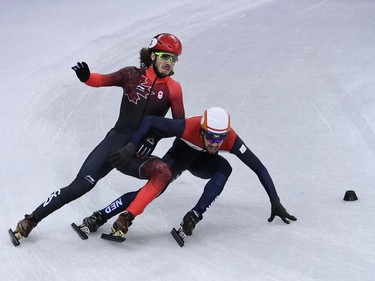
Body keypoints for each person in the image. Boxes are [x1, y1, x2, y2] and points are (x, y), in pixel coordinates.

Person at [12, 33, 185, 242]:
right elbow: (101, 80)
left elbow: (177, 125)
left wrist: (152, 139)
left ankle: (123, 219)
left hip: (136, 153)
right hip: (114, 144)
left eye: (174, 58)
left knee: (163, 173)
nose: (169, 62)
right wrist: (86, 77)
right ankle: (31, 220)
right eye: (165, 56)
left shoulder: (173, 89)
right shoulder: (131, 75)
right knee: (80, 186)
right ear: (152, 55)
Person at [83, 107, 296, 238]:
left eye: (220, 138)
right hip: (180, 155)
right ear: (202, 130)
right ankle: (101, 215)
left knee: (225, 168)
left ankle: (194, 215)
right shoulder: (188, 127)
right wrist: (131, 147)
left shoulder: (230, 139)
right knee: (154, 190)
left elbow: (258, 167)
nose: (215, 143)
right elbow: (150, 121)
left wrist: (275, 201)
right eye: (211, 137)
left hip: (203, 162)